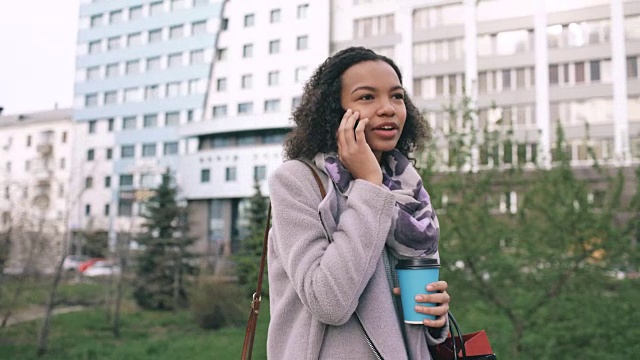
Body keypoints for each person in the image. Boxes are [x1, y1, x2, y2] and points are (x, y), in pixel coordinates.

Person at [267, 46, 450, 359]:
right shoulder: (297, 182)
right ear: (334, 111)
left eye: (396, 96)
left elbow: (404, 310)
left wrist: (436, 319)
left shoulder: (408, 188)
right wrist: (367, 185)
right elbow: (329, 302)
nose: (388, 108)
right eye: (367, 97)